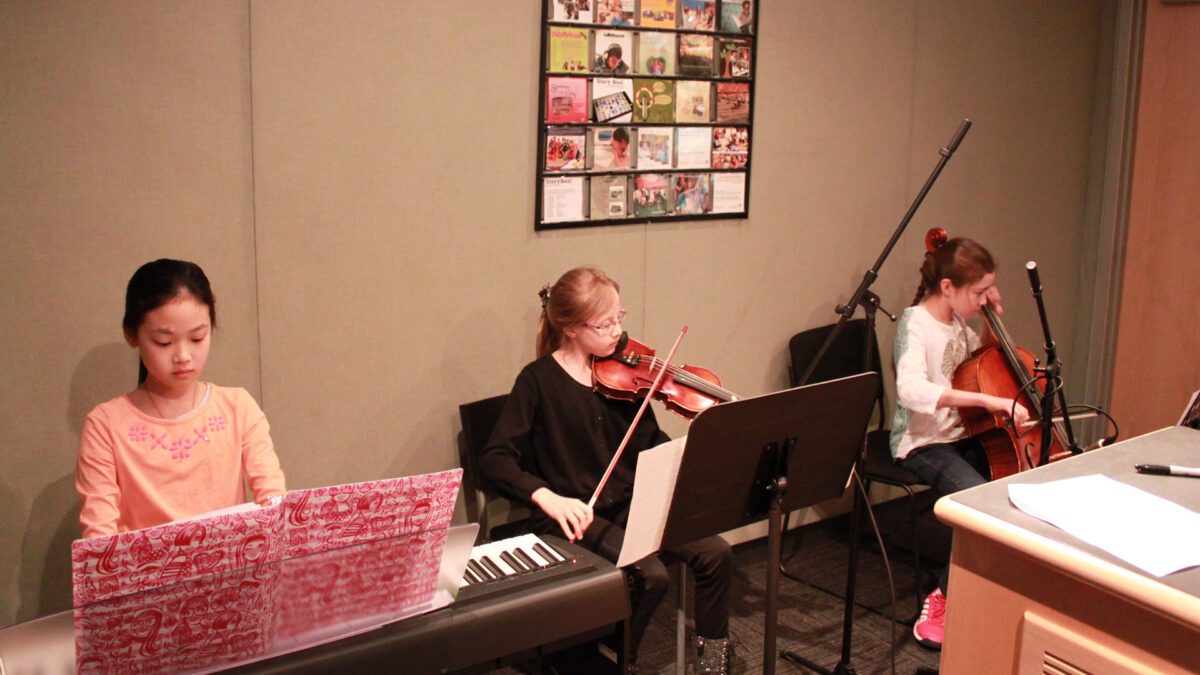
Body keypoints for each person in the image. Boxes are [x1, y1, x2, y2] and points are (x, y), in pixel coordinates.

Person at [478, 267, 734, 673]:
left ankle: (713, 661)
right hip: (575, 516)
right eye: (606, 323)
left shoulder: (623, 374)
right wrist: (548, 497)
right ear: (571, 327)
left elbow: (648, 440)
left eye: (620, 317)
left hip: (633, 505)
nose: (619, 331)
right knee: (652, 576)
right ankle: (617, 661)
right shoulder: (538, 381)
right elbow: (494, 459)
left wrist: (683, 456)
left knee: (716, 552)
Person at [76, 259, 286, 539]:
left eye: (197, 338)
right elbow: (100, 538)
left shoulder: (237, 408)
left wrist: (277, 522)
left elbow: (273, 499)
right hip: (146, 579)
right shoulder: (106, 424)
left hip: (230, 573)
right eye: (164, 343)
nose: (183, 356)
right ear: (132, 335)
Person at [889, 232, 1029, 650]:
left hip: (960, 434)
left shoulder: (958, 324)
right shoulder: (916, 322)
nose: (985, 298)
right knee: (974, 499)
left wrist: (990, 322)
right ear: (948, 287)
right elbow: (912, 392)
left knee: (1013, 488)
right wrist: (989, 400)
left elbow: (978, 363)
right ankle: (942, 599)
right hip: (921, 441)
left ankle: (989, 589)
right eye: (980, 291)